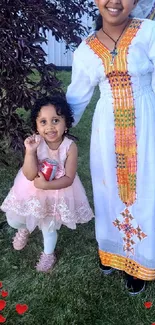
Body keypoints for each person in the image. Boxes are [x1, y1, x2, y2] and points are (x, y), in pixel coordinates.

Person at [66, 0, 155, 295]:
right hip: (107, 133)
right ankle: (111, 250)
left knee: (146, 191)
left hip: (146, 127)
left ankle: (140, 260)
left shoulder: (148, 32)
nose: (114, 2)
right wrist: (53, 134)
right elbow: (76, 98)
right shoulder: (86, 49)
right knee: (107, 192)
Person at [0, 96, 94, 272]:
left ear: (66, 123)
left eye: (56, 120)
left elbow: (69, 178)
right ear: (36, 126)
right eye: (43, 121)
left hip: (58, 191)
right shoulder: (36, 143)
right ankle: (24, 229)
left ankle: (48, 254)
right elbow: (29, 174)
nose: (50, 126)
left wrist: (46, 186)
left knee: (48, 226)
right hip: (31, 189)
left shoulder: (69, 147)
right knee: (13, 219)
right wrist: (30, 152)